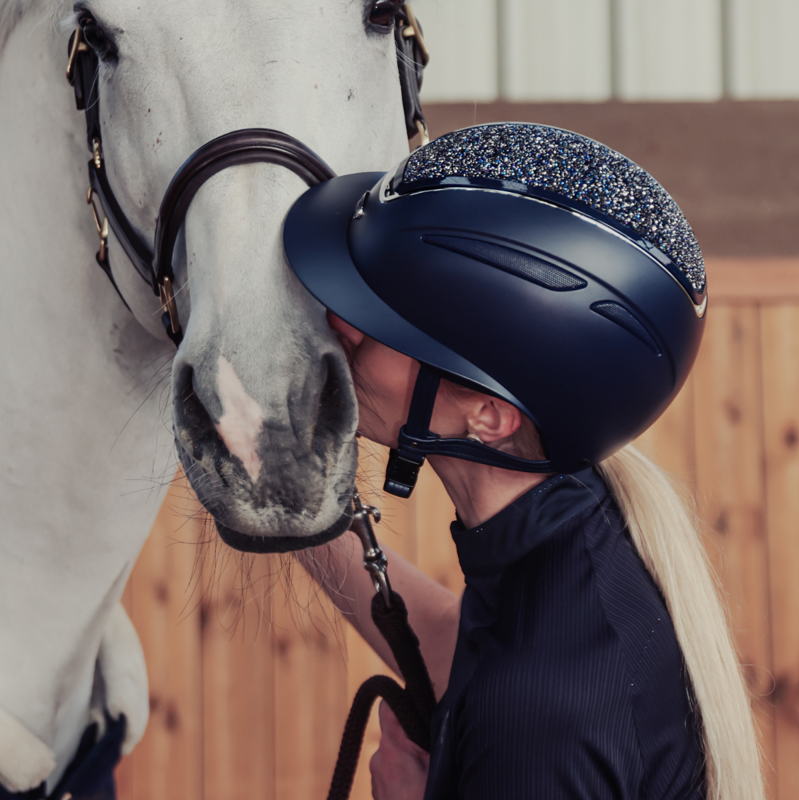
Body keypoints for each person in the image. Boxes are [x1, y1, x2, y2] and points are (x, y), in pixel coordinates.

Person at [284, 123, 764, 800]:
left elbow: (514, 694)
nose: (342, 326)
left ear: (491, 416)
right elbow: (472, 645)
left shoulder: (538, 725)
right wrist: (297, 503)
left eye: (383, 320)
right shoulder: (577, 533)